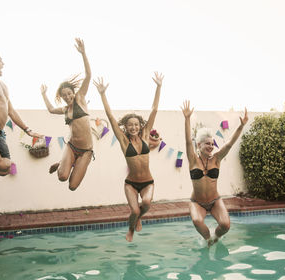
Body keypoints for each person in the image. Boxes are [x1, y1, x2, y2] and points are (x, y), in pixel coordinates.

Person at [94, 73, 164, 242]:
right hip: (131, 184)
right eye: (130, 125)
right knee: (134, 210)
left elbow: (154, 110)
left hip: (148, 182)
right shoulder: (124, 141)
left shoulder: (146, 135)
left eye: (136, 124)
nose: (133, 127)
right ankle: (131, 229)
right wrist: (103, 94)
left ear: (140, 126)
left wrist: (158, 87)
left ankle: (139, 217)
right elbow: (110, 117)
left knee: (146, 204)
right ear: (125, 127)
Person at [181, 100, 248, 246]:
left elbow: (229, 143)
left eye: (212, 144)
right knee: (197, 221)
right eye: (207, 144)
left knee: (225, 226)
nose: (211, 146)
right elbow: (187, 141)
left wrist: (241, 125)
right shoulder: (193, 160)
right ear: (199, 145)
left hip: (215, 200)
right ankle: (208, 241)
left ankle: (216, 238)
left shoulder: (217, 159)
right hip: (197, 202)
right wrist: (187, 119)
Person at [40, 38, 92, 191]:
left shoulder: (80, 99)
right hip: (71, 146)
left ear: (73, 92)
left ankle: (67, 163)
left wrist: (83, 53)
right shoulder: (64, 109)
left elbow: (88, 75)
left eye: (69, 93)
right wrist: (44, 94)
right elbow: (50, 109)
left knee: (72, 186)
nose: (67, 97)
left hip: (86, 151)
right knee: (62, 177)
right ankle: (64, 164)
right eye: (64, 96)